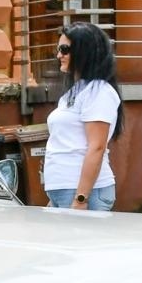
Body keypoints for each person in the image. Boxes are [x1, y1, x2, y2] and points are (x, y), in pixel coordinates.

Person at [43, 22, 122, 211]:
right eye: (58, 49)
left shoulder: (99, 92)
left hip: (84, 192)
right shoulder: (75, 91)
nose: (59, 55)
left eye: (65, 49)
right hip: (64, 189)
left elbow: (97, 147)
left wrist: (80, 199)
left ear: (84, 52)